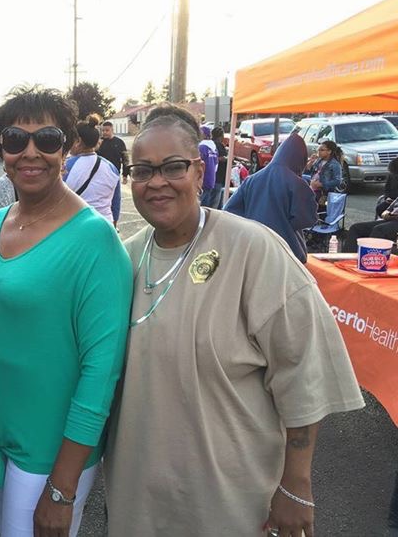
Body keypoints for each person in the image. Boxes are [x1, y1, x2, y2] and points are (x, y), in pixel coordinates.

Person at [102, 103, 365, 537]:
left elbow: (305, 370)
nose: (157, 182)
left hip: (231, 506)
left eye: (173, 167)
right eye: (143, 171)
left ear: (200, 173)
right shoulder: (123, 257)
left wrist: (296, 485)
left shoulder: (253, 250)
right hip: (138, 503)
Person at [0, 87, 132, 537]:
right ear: (1, 149)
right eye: (16, 140)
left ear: (69, 146)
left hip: (48, 450)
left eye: (48, 139)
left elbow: (101, 373)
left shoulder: (95, 239)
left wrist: (63, 486)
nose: (30, 152)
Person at [224, 133, 318, 263]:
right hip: (287, 253)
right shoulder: (297, 183)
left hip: (254, 249)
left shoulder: (251, 180)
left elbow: (229, 211)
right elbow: (307, 219)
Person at [64, 113, 121, 226]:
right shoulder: (111, 167)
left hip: (76, 227)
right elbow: (116, 202)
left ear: (78, 141)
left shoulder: (65, 166)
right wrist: (114, 224)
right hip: (105, 225)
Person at [198, 124, 219, 208]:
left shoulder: (201, 147)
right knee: (206, 206)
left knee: (199, 205)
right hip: (211, 179)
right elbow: (216, 164)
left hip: (202, 179)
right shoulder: (213, 147)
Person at [211, 127, 228, 208]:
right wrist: (225, 159)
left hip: (219, 176)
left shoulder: (215, 144)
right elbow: (216, 157)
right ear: (220, 136)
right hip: (218, 176)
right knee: (215, 201)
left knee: (220, 200)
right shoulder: (216, 145)